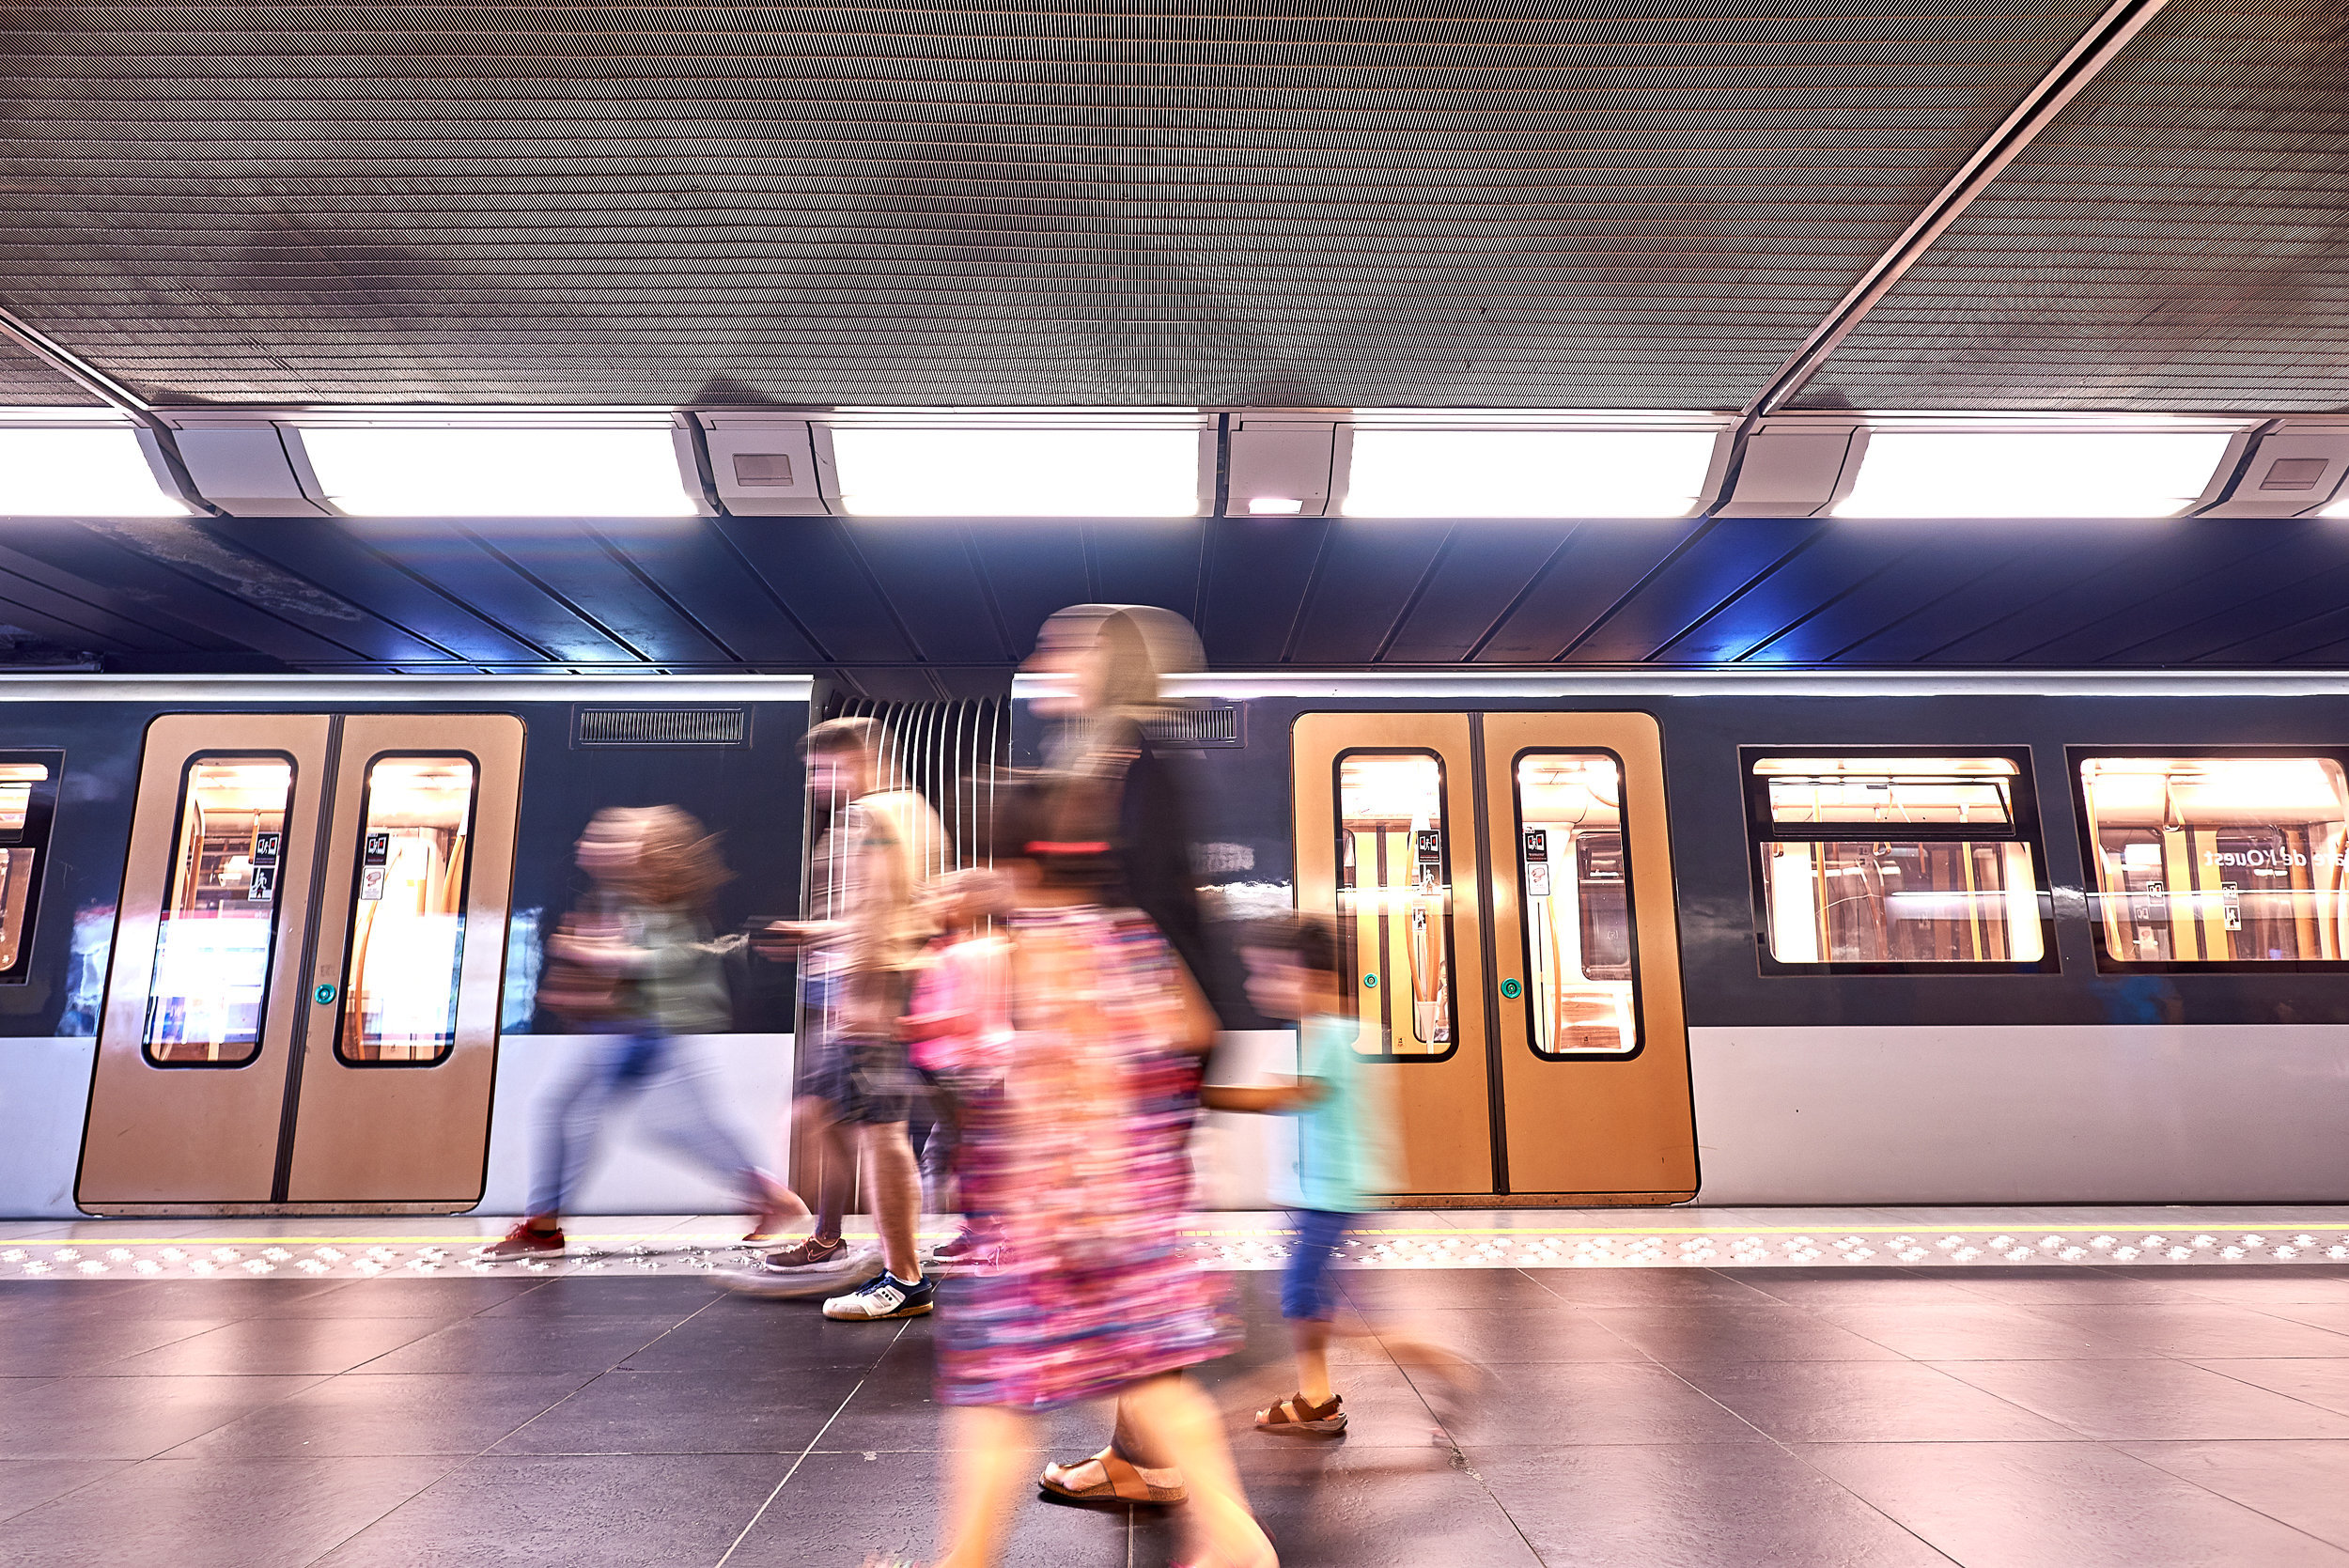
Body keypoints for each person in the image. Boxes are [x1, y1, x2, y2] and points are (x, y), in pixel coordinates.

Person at [871, 780, 1274, 1568]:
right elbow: (1193, 1033)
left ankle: (966, 1560)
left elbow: (966, 1067)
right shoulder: (1134, 939)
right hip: (1131, 1209)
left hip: (1043, 1220)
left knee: (997, 1393)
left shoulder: (1002, 957)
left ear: (1016, 866)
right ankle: (1237, 1541)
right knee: (1151, 1380)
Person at [1024, 606, 1255, 1506]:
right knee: (1126, 1255)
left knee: (1129, 1259)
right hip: (1130, 1052)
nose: (1047, 660)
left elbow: (1150, 913)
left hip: (1139, 1057)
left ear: (1110, 664)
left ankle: (1162, 1468)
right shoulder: (1113, 760)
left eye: (1067, 648)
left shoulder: (1133, 765)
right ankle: (1140, 1455)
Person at [478, 807, 802, 1260]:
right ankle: (544, 1223)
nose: (586, 847)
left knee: (617, 1118)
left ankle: (545, 1225)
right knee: (612, 1116)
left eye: (606, 840)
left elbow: (673, 957)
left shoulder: (662, 901)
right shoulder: (616, 897)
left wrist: (598, 955)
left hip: (649, 1028)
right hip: (628, 1027)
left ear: (643, 852)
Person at [1205, 912, 1475, 1436]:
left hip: (1330, 1198)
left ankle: (1442, 1367)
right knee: (1305, 1301)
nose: (1257, 985)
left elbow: (1286, 1096)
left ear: (1318, 978)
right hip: (1319, 1195)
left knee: (1319, 1304)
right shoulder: (1316, 1031)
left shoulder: (1326, 1034)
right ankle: (1316, 1398)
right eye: (1256, 972)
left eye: (1273, 973)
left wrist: (1198, 1092)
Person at [734, 718, 945, 1320]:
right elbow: (908, 908)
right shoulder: (916, 812)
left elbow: (879, 909)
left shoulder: (871, 816)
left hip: (873, 989)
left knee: (881, 1132)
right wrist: (818, 934)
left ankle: (902, 1277)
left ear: (858, 760)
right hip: (891, 983)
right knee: (830, 1116)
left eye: (824, 769)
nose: (817, 784)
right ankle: (838, 1241)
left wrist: (861, 993)